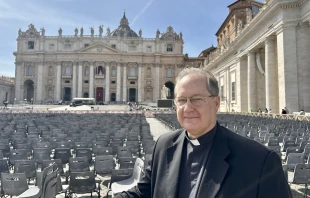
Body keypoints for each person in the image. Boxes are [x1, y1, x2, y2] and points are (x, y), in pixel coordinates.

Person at [115, 67, 292, 198]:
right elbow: (141, 193)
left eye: (197, 99)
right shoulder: (163, 145)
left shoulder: (260, 161)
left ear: (216, 103)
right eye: (182, 100)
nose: (188, 108)